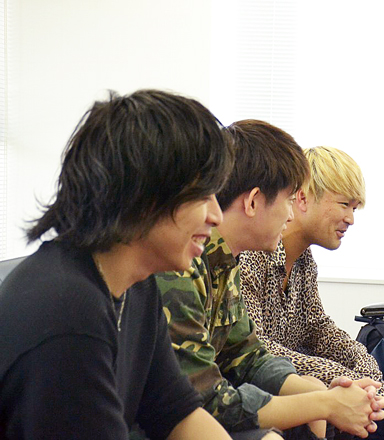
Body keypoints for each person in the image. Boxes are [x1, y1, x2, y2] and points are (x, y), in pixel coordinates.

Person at [0, 90, 235, 439]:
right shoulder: (68, 311)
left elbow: (176, 412)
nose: (216, 215)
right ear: (147, 193)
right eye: (204, 195)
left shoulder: (137, 287)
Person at [155, 120, 384, 440]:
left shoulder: (226, 260)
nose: (291, 216)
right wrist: (325, 402)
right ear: (252, 202)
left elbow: (249, 356)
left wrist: (331, 391)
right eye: (289, 200)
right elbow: (206, 398)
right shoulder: (183, 265)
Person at [239, 147, 384, 434]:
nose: (351, 218)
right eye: (344, 204)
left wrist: (368, 374)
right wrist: (344, 379)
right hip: (255, 391)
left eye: (354, 208)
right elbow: (256, 348)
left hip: (288, 386)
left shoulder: (305, 261)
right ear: (302, 199)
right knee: (325, 394)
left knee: (375, 403)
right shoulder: (251, 253)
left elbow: (319, 329)